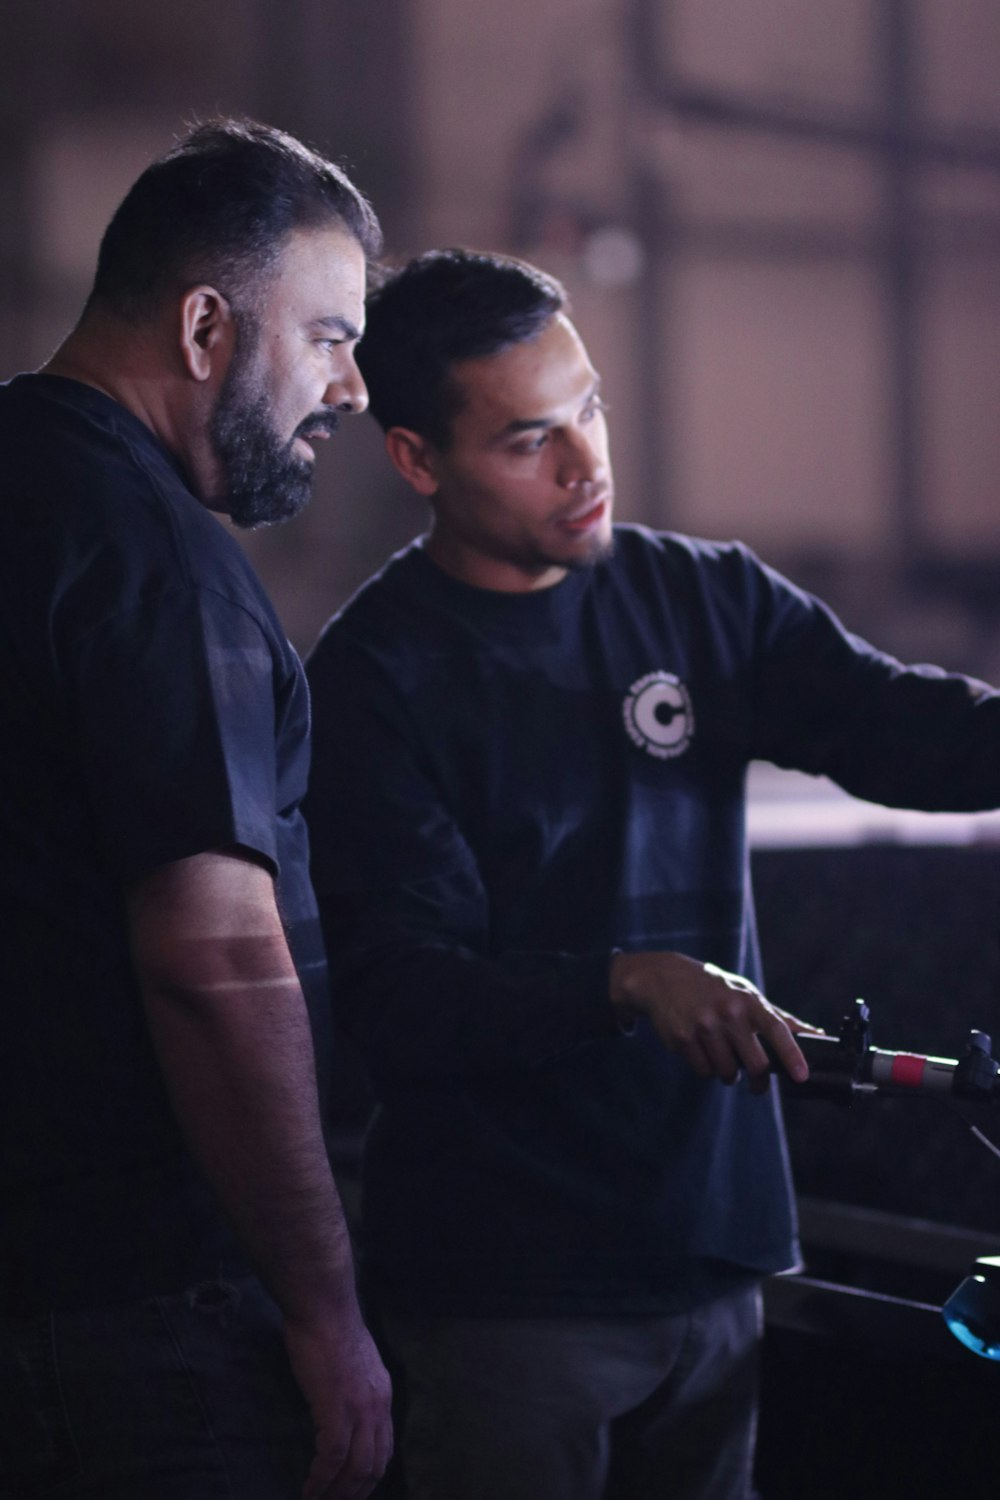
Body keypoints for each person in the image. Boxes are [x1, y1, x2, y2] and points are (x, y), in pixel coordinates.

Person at [303, 248, 1000, 1500]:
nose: (585, 464)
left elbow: (901, 727)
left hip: (720, 1251)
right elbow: (403, 999)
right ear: (417, 461)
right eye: (528, 441)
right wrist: (625, 981)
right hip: (510, 1298)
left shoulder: (703, 599)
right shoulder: (376, 683)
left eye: (591, 408)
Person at [0, 119, 393, 1500]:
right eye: (332, 334)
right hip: (135, 1314)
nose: (351, 385)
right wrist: (326, 1307)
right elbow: (217, 962)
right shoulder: (160, 567)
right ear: (208, 326)